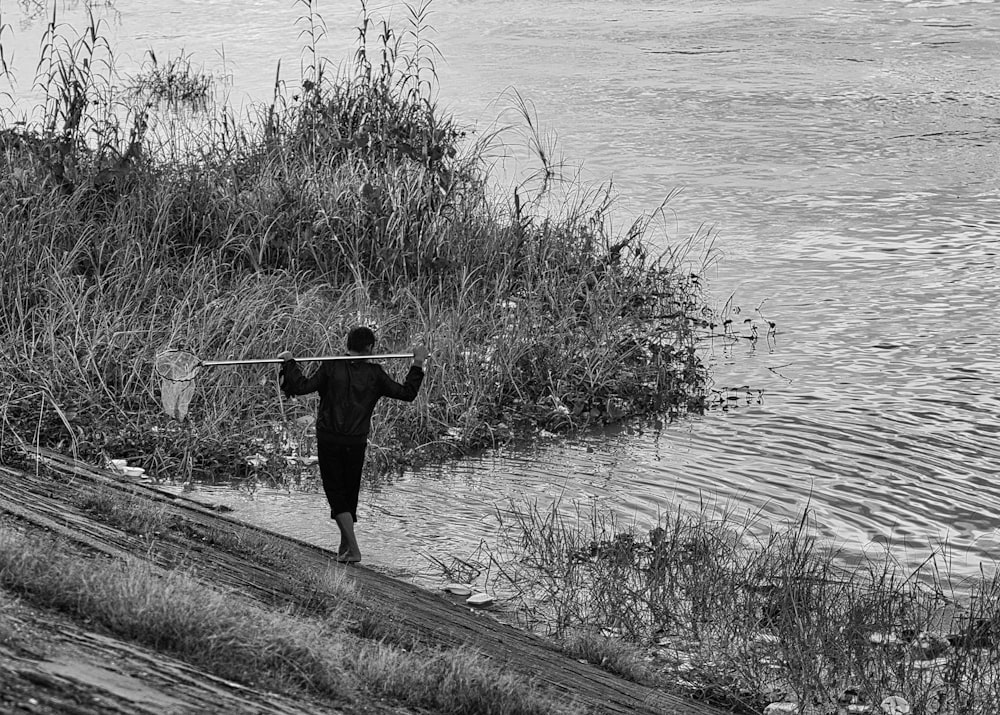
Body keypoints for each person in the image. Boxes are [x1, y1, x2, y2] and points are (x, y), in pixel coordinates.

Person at [278, 327, 428, 564]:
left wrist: (289, 363)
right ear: (370, 348)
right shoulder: (374, 374)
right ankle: (346, 547)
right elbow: (407, 393)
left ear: (347, 344)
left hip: (329, 439)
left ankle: (353, 549)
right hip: (355, 441)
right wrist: (417, 364)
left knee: (336, 494)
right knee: (348, 494)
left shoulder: (331, 367)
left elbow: (300, 387)